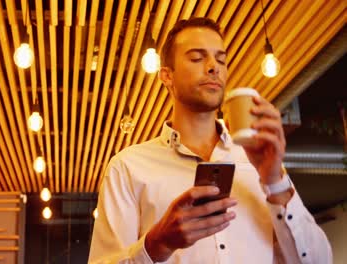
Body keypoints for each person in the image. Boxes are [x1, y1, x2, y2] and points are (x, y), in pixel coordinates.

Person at [88, 17, 332, 263]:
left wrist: (275, 182)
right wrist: (155, 245)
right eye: (197, 58)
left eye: (221, 59)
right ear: (166, 76)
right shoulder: (128, 167)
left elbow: (318, 261)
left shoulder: (259, 163)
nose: (214, 66)